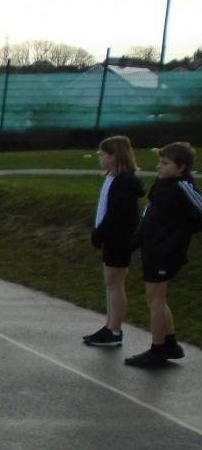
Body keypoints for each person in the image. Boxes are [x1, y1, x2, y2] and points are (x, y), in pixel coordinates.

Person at [124, 142, 202, 367]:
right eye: (160, 161)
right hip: (153, 246)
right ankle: (169, 343)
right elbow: (150, 210)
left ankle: (157, 349)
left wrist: (179, 232)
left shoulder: (183, 186)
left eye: (165, 163)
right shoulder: (162, 183)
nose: (159, 166)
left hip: (167, 251)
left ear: (181, 168)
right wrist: (138, 237)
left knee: (155, 298)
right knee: (155, 298)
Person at [82, 136, 145, 347]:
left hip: (119, 239)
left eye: (103, 155)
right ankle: (110, 324)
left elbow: (115, 215)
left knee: (115, 284)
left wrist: (100, 233)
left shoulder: (124, 183)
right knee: (111, 285)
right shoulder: (113, 178)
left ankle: (115, 329)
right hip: (113, 239)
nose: (100, 158)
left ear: (114, 156)